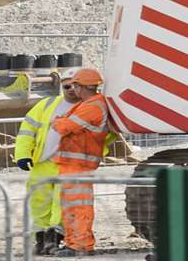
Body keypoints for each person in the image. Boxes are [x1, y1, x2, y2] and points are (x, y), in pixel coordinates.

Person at [48, 67, 117, 255]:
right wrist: (60, 122)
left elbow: (63, 125)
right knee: (71, 207)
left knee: (79, 208)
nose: (72, 90)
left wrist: (58, 122)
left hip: (78, 166)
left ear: (81, 87)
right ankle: (73, 244)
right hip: (72, 165)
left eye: (74, 85)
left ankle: (80, 246)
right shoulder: (87, 104)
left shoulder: (93, 106)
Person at [14, 71, 82, 252]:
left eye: (76, 85)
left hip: (70, 164)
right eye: (67, 86)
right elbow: (27, 130)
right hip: (43, 163)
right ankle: (41, 240)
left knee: (62, 204)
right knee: (38, 203)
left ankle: (55, 239)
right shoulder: (47, 105)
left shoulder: (89, 107)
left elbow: (104, 136)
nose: (71, 90)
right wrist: (22, 155)